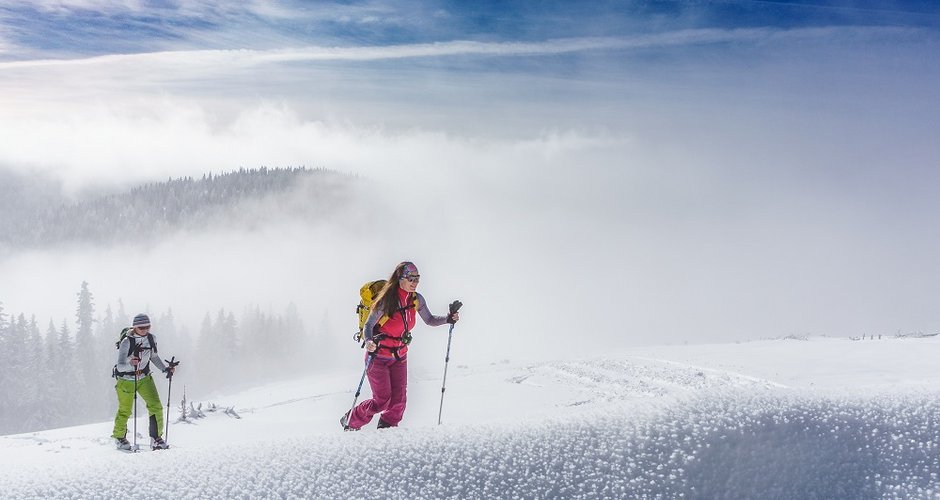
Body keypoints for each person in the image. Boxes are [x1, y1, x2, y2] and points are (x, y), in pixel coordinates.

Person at [341, 261, 458, 430]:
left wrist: (448, 318)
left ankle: (387, 434)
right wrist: (368, 341)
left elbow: (430, 320)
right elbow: (368, 325)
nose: (415, 282)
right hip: (378, 356)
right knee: (382, 402)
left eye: (417, 278)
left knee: (399, 402)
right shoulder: (387, 301)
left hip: (400, 356)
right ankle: (351, 420)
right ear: (400, 278)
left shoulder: (416, 299)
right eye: (411, 278)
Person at [111, 313, 176, 450]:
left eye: (148, 327)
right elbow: (120, 366)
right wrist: (131, 363)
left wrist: (165, 369)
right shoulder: (126, 342)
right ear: (135, 327)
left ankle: (156, 438)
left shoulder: (152, 339)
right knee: (125, 410)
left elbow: (154, 357)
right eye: (142, 327)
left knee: (156, 406)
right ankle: (119, 438)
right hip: (126, 380)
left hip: (145, 378)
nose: (145, 330)